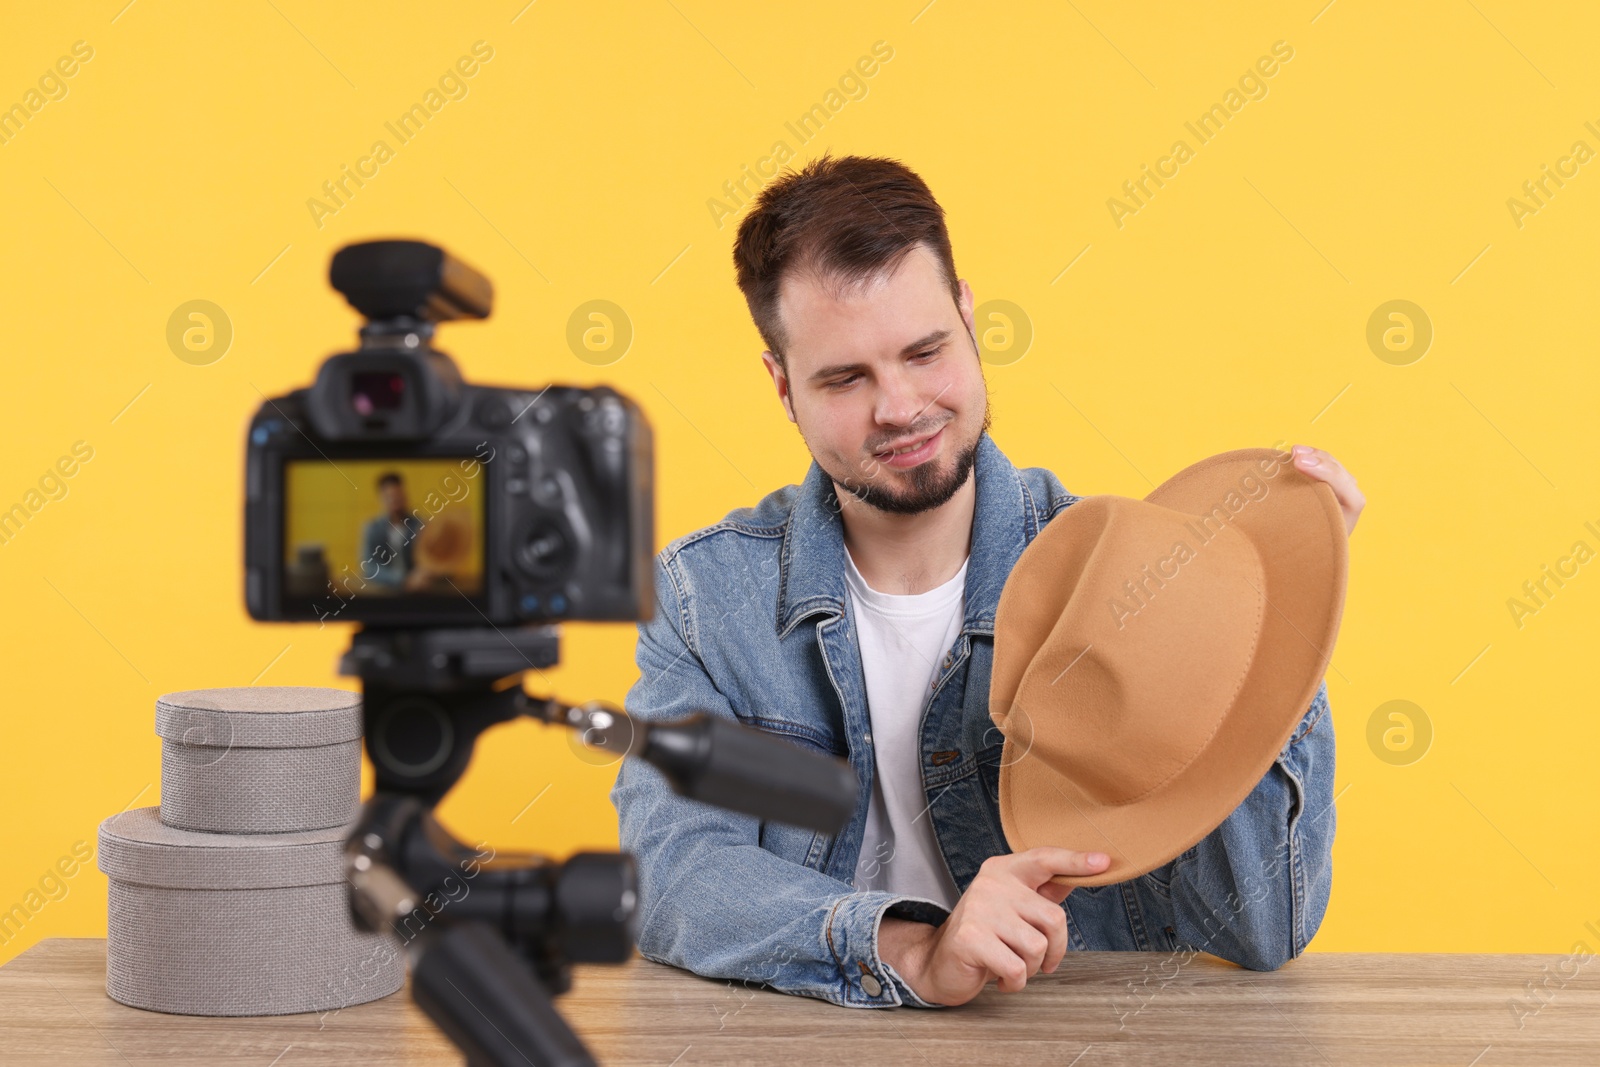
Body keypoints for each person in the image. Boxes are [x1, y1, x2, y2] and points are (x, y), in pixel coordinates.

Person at [609, 153, 1366, 1009]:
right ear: (783, 386)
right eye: (845, 377)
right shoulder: (707, 596)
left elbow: (1262, 929)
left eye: (925, 351)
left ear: (969, 318)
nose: (899, 407)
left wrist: (1283, 622)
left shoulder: (1130, 578)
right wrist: (910, 947)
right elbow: (670, 872)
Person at [360, 472, 434, 592]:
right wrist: (403, 579)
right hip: (384, 590)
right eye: (389, 496)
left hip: (419, 590)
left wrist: (425, 573)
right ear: (381, 498)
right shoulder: (373, 528)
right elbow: (369, 567)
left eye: (398, 495)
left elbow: (431, 559)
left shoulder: (420, 525)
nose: (395, 500)